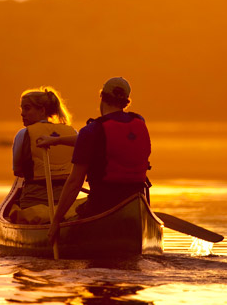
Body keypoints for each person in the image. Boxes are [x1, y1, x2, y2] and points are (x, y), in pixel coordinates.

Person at [45, 77, 151, 243]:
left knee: (75, 214)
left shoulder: (92, 130)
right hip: (136, 198)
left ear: (101, 97)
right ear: (126, 102)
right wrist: (57, 140)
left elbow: (74, 183)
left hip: (102, 205)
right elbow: (92, 141)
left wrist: (56, 221)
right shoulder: (139, 122)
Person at [12, 87, 77, 210]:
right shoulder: (72, 132)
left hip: (33, 200)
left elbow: (18, 171)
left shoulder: (23, 134)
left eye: (27, 108)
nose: (22, 113)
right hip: (66, 201)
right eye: (22, 108)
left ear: (42, 110)